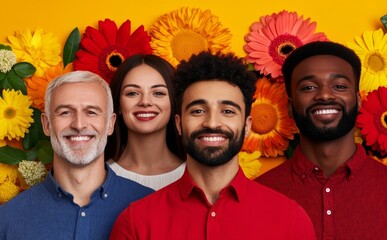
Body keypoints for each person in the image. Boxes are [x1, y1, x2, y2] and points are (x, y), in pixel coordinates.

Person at [110, 52, 316, 240]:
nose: (212, 123)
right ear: (179, 124)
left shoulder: (290, 219)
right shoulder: (136, 221)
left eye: (227, 111)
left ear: (247, 126)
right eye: (198, 111)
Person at [255, 41, 387, 240]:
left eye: (339, 86)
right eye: (308, 87)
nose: (325, 95)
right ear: (289, 107)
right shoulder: (253, 199)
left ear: (358, 100)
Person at [0, 71, 154, 239]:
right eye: (65, 112)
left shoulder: (150, 206)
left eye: (92, 112)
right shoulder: (8, 219)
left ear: (110, 124)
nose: (79, 125)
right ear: (46, 124)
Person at [106, 54, 185, 190]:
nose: (145, 102)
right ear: (118, 105)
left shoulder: (195, 175)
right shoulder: (100, 176)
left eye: (158, 93)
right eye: (132, 93)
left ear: (173, 102)